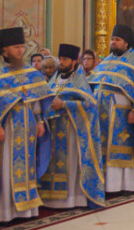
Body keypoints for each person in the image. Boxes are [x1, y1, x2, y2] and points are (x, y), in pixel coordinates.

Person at [0, 28, 51, 223]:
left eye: (23, 47)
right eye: (17, 47)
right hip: (6, 127)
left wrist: (39, 121)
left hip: (27, 126)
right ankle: (3, 211)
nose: (21, 51)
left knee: (26, 165)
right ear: (5, 49)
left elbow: (35, 96)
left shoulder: (25, 69)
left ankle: (25, 209)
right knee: (4, 167)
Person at [90, 24, 134, 193]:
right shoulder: (108, 60)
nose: (113, 42)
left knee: (123, 150)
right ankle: (109, 185)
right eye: (112, 39)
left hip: (123, 113)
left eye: (117, 40)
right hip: (104, 114)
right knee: (106, 150)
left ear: (126, 43)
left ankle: (128, 185)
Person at [40, 44, 105, 210]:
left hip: (71, 130)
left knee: (69, 164)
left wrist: (65, 104)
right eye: (60, 59)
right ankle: (51, 198)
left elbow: (90, 104)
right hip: (54, 128)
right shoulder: (55, 78)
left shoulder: (79, 80)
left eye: (65, 60)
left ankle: (72, 198)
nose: (61, 62)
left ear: (74, 61)